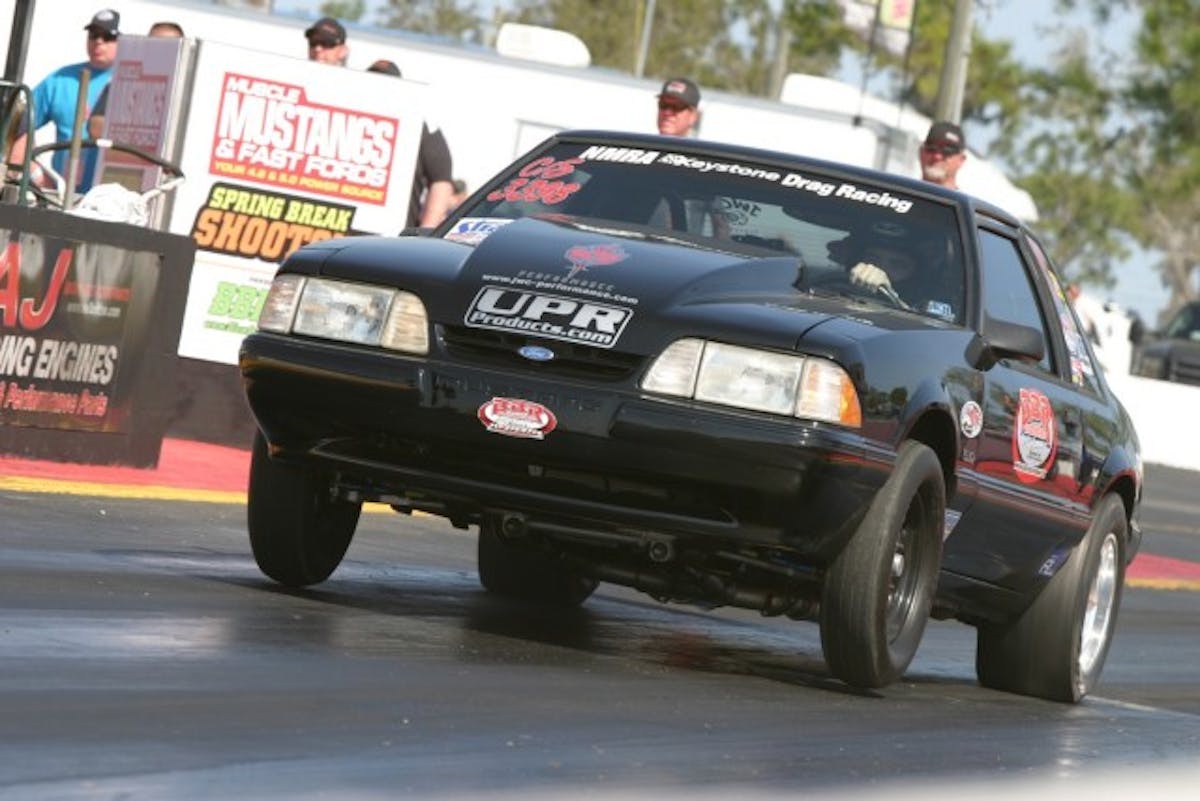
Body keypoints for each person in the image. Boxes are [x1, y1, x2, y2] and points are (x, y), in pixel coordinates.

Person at [6, 9, 121, 194]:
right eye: (93, 35)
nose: (99, 41)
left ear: (122, 41)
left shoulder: (129, 82)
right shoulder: (61, 79)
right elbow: (19, 119)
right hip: (63, 194)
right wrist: (35, 172)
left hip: (114, 195)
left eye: (108, 37)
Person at [366, 59, 455, 229]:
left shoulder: (419, 125)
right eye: (373, 82)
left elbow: (441, 180)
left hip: (392, 232)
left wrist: (425, 230)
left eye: (387, 84)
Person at [87, 21, 185, 139]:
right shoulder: (122, 83)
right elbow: (95, 127)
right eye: (155, 44)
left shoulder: (190, 90)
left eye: (169, 46)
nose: (160, 50)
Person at [845, 229, 958, 320]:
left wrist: (891, 298)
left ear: (916, 274)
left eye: (897, 265)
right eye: (872, 259)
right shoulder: (836, 280)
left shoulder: (931, 305)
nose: (880, 272)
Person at [919, 120, 967, 190]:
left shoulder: (966, 198)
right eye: (931, 148)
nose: (937, 156)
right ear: (921, 152)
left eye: (947, 151)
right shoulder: (903, 190)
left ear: (961, 160)